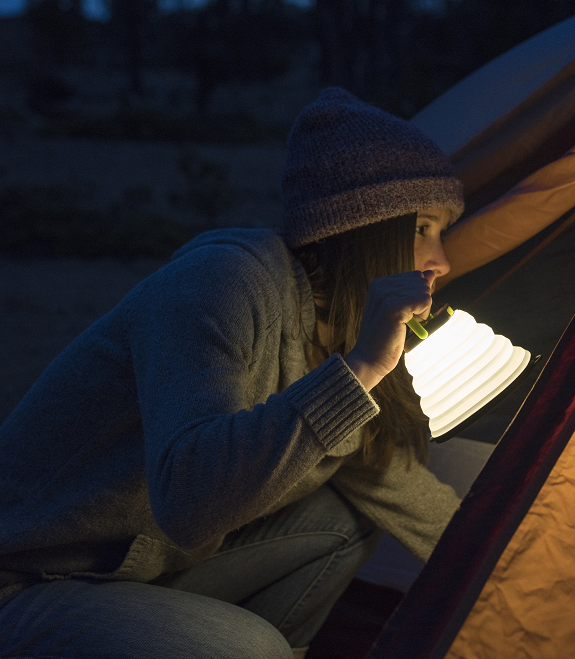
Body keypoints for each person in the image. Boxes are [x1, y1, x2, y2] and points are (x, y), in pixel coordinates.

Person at [0, 88, 464, 658]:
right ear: (359, 229)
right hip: (32, 577)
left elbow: (393, 481)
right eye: (422, 228)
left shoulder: (338, 329)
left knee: (346, 514)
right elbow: (189, 498)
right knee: (247, 647)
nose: (442, 260)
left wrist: (521, 562)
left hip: (143, 571)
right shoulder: (221, 284)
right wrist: (362, 367)